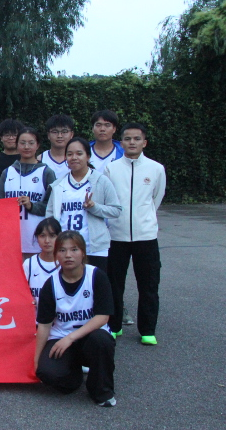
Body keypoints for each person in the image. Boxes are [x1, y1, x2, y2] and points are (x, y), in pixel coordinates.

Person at [34, 231, 116, 407]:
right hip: (61, 337)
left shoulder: (96, 276)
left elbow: (103, 317)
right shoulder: (51, 284)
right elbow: (44, 325)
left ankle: (102, 392)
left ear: (83, 253)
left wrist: (71, 338)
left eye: (74, 249)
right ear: (56, 255)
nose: (68, 255)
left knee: (101, 341)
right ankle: (74, 375)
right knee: (48, 374)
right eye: (62, 250)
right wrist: (36, 362)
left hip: (90, 337)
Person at [105, 123, 166, 345]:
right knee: (114, 284)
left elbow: (156, 198)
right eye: (128, 138)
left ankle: (147, 330)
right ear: (121, 142)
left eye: (137, 139)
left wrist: (144, 219)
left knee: (148, 284)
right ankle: (114, 326)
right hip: (116, 236)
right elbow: (107, 199)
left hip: (146, 237)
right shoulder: (111, 168)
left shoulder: (156, 168)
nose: (132, 142)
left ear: (144, 142)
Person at [45, 137, 122, 272]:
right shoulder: (58, 185)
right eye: (70, 154)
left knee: (94, 283)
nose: (74, 157)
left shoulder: (101, 181)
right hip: (65, 248)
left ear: (88, 156)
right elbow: (50, 217)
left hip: (94, 248)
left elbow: (116, 210)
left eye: (79, 153)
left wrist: (94, 207)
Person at [0, 128, 55, 259]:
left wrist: (32, 206)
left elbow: (52, 207)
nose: (26, 147)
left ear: (37, 145)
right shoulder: (7, 172)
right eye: (22, 143)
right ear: (17, 145)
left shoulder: (46, 172)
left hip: (36, 240)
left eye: (31, 143)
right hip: (10, 240)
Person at [23, 217, 62, 311]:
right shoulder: (29, 264)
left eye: (52, 236)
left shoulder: (66, 263)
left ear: (59, 237)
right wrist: (27, 301)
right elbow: (20, 292)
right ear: (37, 238)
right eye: (42, 236)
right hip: (35, 318)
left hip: (60, 318)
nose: (47, 241)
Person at [39, 114, 75, 179]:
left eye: (64, 131)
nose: (59, 136)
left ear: (71, 134)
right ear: (48, 135)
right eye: (55, 132)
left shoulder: (77, 159)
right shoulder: (40, 159)